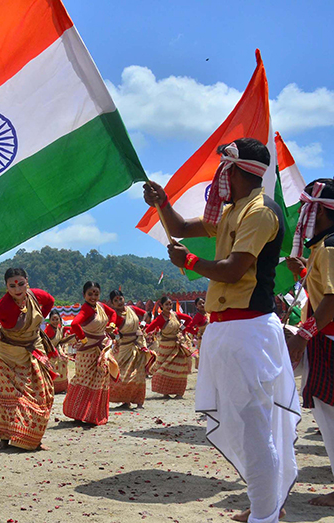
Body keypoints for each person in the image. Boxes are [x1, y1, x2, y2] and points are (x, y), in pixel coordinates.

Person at [144, 138, 299, 523]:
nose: (220, 176)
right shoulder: (235, 210)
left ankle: (265, 514)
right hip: (230, 330)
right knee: (243, 424)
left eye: (225, 168)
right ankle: (266, 503)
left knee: (253, 426)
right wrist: (162, 203)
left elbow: (233, 269)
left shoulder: (260, 212)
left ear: (240, 170)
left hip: (248, 328)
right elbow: (180, 226)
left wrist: (191, 260)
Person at [285, 179, 334, 507]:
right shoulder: (324, 247)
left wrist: (304, 336)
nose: (306, 217)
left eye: (310, 210)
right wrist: (304, 271)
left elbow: (330, 297)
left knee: (330, 413)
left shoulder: (329, 246)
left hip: (329, 337)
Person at [0, 268, 56, 451]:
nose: (17, 289)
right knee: (11, 398)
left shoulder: (37, 296)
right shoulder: (2, 306)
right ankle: (6, 437)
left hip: (33, 348)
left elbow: (50, 302)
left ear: (27, 281)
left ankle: (33, 437)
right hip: (8, 355)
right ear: (6, 287)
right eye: (12, 285)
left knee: (43, 393)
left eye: (21, 284)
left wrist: (38, 320)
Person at [62, 282, 119, 426]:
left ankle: (92, 414)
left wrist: (112, 324)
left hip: (100, 349)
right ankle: (76, 412)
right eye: (90, 294)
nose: (93, 297)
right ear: (84, 295)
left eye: (96, 293)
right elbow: (74, 324)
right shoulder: (86, 309)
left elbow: (112, 313)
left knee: (100, 378)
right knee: (83, 379)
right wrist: (84, 339)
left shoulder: (100, 306)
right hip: (88, 351)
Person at [107, 290, 150, 409]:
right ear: (112, 303)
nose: (119, 302)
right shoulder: (115, 315)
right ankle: (125, 401)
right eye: (115, 301)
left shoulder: (132, 309)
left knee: (139, 375)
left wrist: (142, 324)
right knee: (123, 375)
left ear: (123, 298)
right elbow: (111, 330)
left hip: (138, 346)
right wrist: (115, 335)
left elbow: (146, 314)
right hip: (124, 348)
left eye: (120, 299)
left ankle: (139, 402)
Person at [145, 296, 193, 399]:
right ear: (161, 306)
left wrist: (182, 330)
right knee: (162, 369)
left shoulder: (175, 315)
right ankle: (165, 392)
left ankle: (179, 393)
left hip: (177, 346)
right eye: (166, 304)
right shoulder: (159, 319)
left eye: (170, 304)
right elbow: (149, 329)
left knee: (180, 369)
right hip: (165, 348)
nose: (169, 306)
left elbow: (189, 319)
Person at [44, 310, 70, 394]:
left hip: (57, 350)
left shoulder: (58, 328)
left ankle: (62, 387)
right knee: (54, 369)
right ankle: (52, 388)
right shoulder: (49, 330)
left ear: (59, 319)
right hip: (50, 352)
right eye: (53, 319)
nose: (55, 321)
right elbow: (45, 343)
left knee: (63, 365)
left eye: (56, 319)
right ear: (50, 320)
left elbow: (60, 341)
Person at [186, 297, 209, 369]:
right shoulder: (198, 316)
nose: (202, 304)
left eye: (203, 302)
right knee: (204, 355)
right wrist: (196, 333)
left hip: (211, 337)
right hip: (203, 339)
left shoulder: (209, 313)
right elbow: (188, 327)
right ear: (196, 306)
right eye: (199, 304)